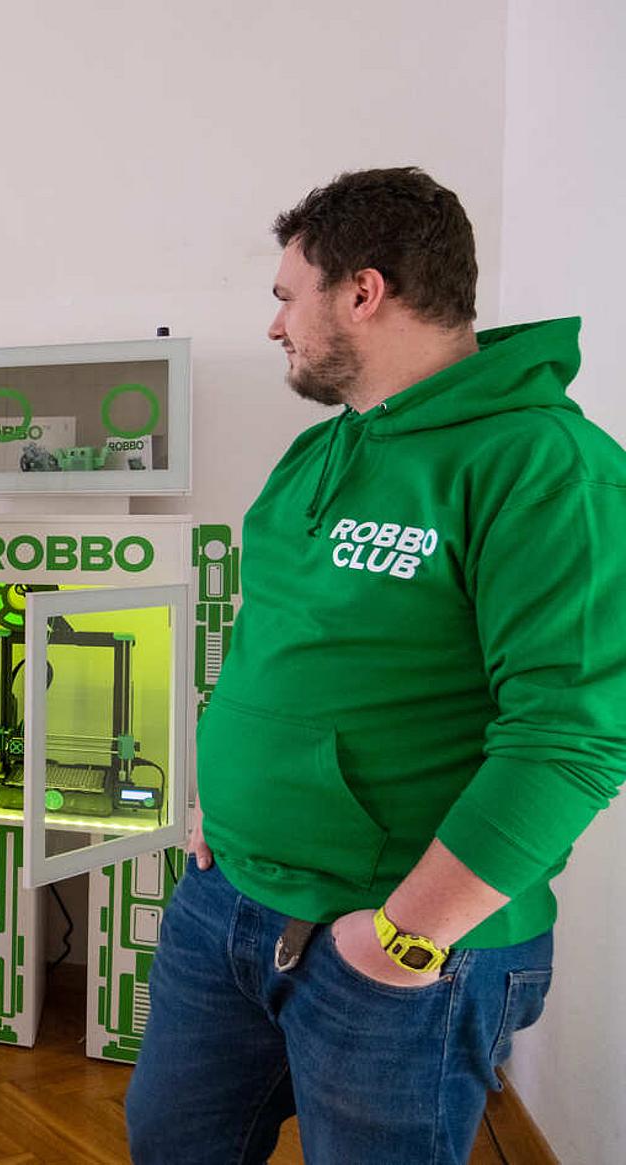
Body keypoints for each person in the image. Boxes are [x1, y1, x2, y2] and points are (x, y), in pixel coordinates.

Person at [126, 167, 626, 1163]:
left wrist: (402, 937)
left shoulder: (545, 465)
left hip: (391, 951)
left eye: (286, 296)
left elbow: (570, 740)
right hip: (224, 899)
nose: (275, 325)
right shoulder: (317, 456)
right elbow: (274, 649)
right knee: (169, 1141)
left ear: (363, 291)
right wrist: (218, 797)